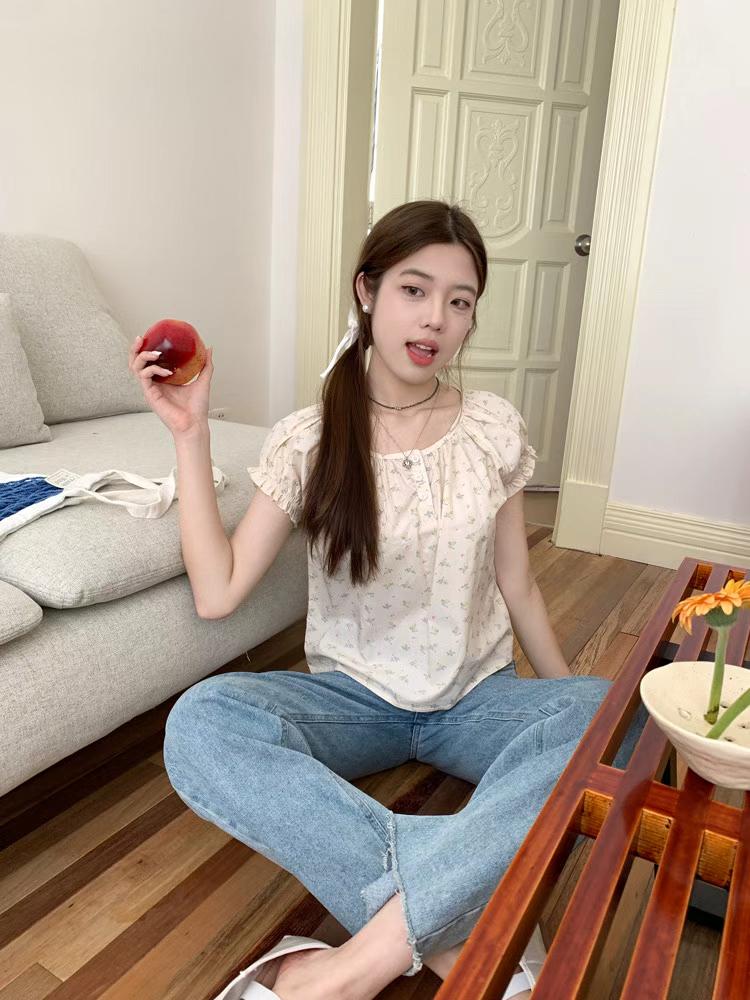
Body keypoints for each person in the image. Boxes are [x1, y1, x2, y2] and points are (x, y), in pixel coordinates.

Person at [129, 200, 645, 1000]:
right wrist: (189, 435)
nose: (436, 317)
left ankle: (347, 967)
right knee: (202, 721)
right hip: (350, 702)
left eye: (460, 300)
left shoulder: (492, 429)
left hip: (477, 699)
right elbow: (218, 592)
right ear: (366, 292)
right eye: (414, 289)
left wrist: (578, 729)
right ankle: (452, 920)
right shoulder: (307, 438)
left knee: (618, 715)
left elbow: (517, 582)